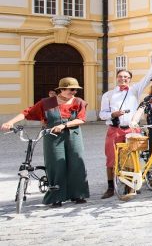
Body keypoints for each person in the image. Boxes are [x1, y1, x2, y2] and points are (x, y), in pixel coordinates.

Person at [2, 77, 89, 207]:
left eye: (76, 89)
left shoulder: (79, 102)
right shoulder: (46, 103)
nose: (74, 92)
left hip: (73, 135)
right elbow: (27, 113)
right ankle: (56, 196)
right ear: (62, 89)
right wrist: (10, 122)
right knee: (55, 164)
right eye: (71, 89)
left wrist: (64, 126)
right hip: (52, 136)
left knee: (76, 163)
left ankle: (78, 194)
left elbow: (81, 120)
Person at [98, 52, 152, 199]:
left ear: (130, 79)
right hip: (115, 129)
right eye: (121, 76)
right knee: (111, 158)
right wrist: (113, 115)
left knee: (131, 157)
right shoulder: (108, 95)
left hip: (131, 129)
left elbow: (147, 78)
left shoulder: (134, 90)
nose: (123, 79)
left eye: (126, 77)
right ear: (117, 78)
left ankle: (129, 185)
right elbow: (102, 114)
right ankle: (110, 186)